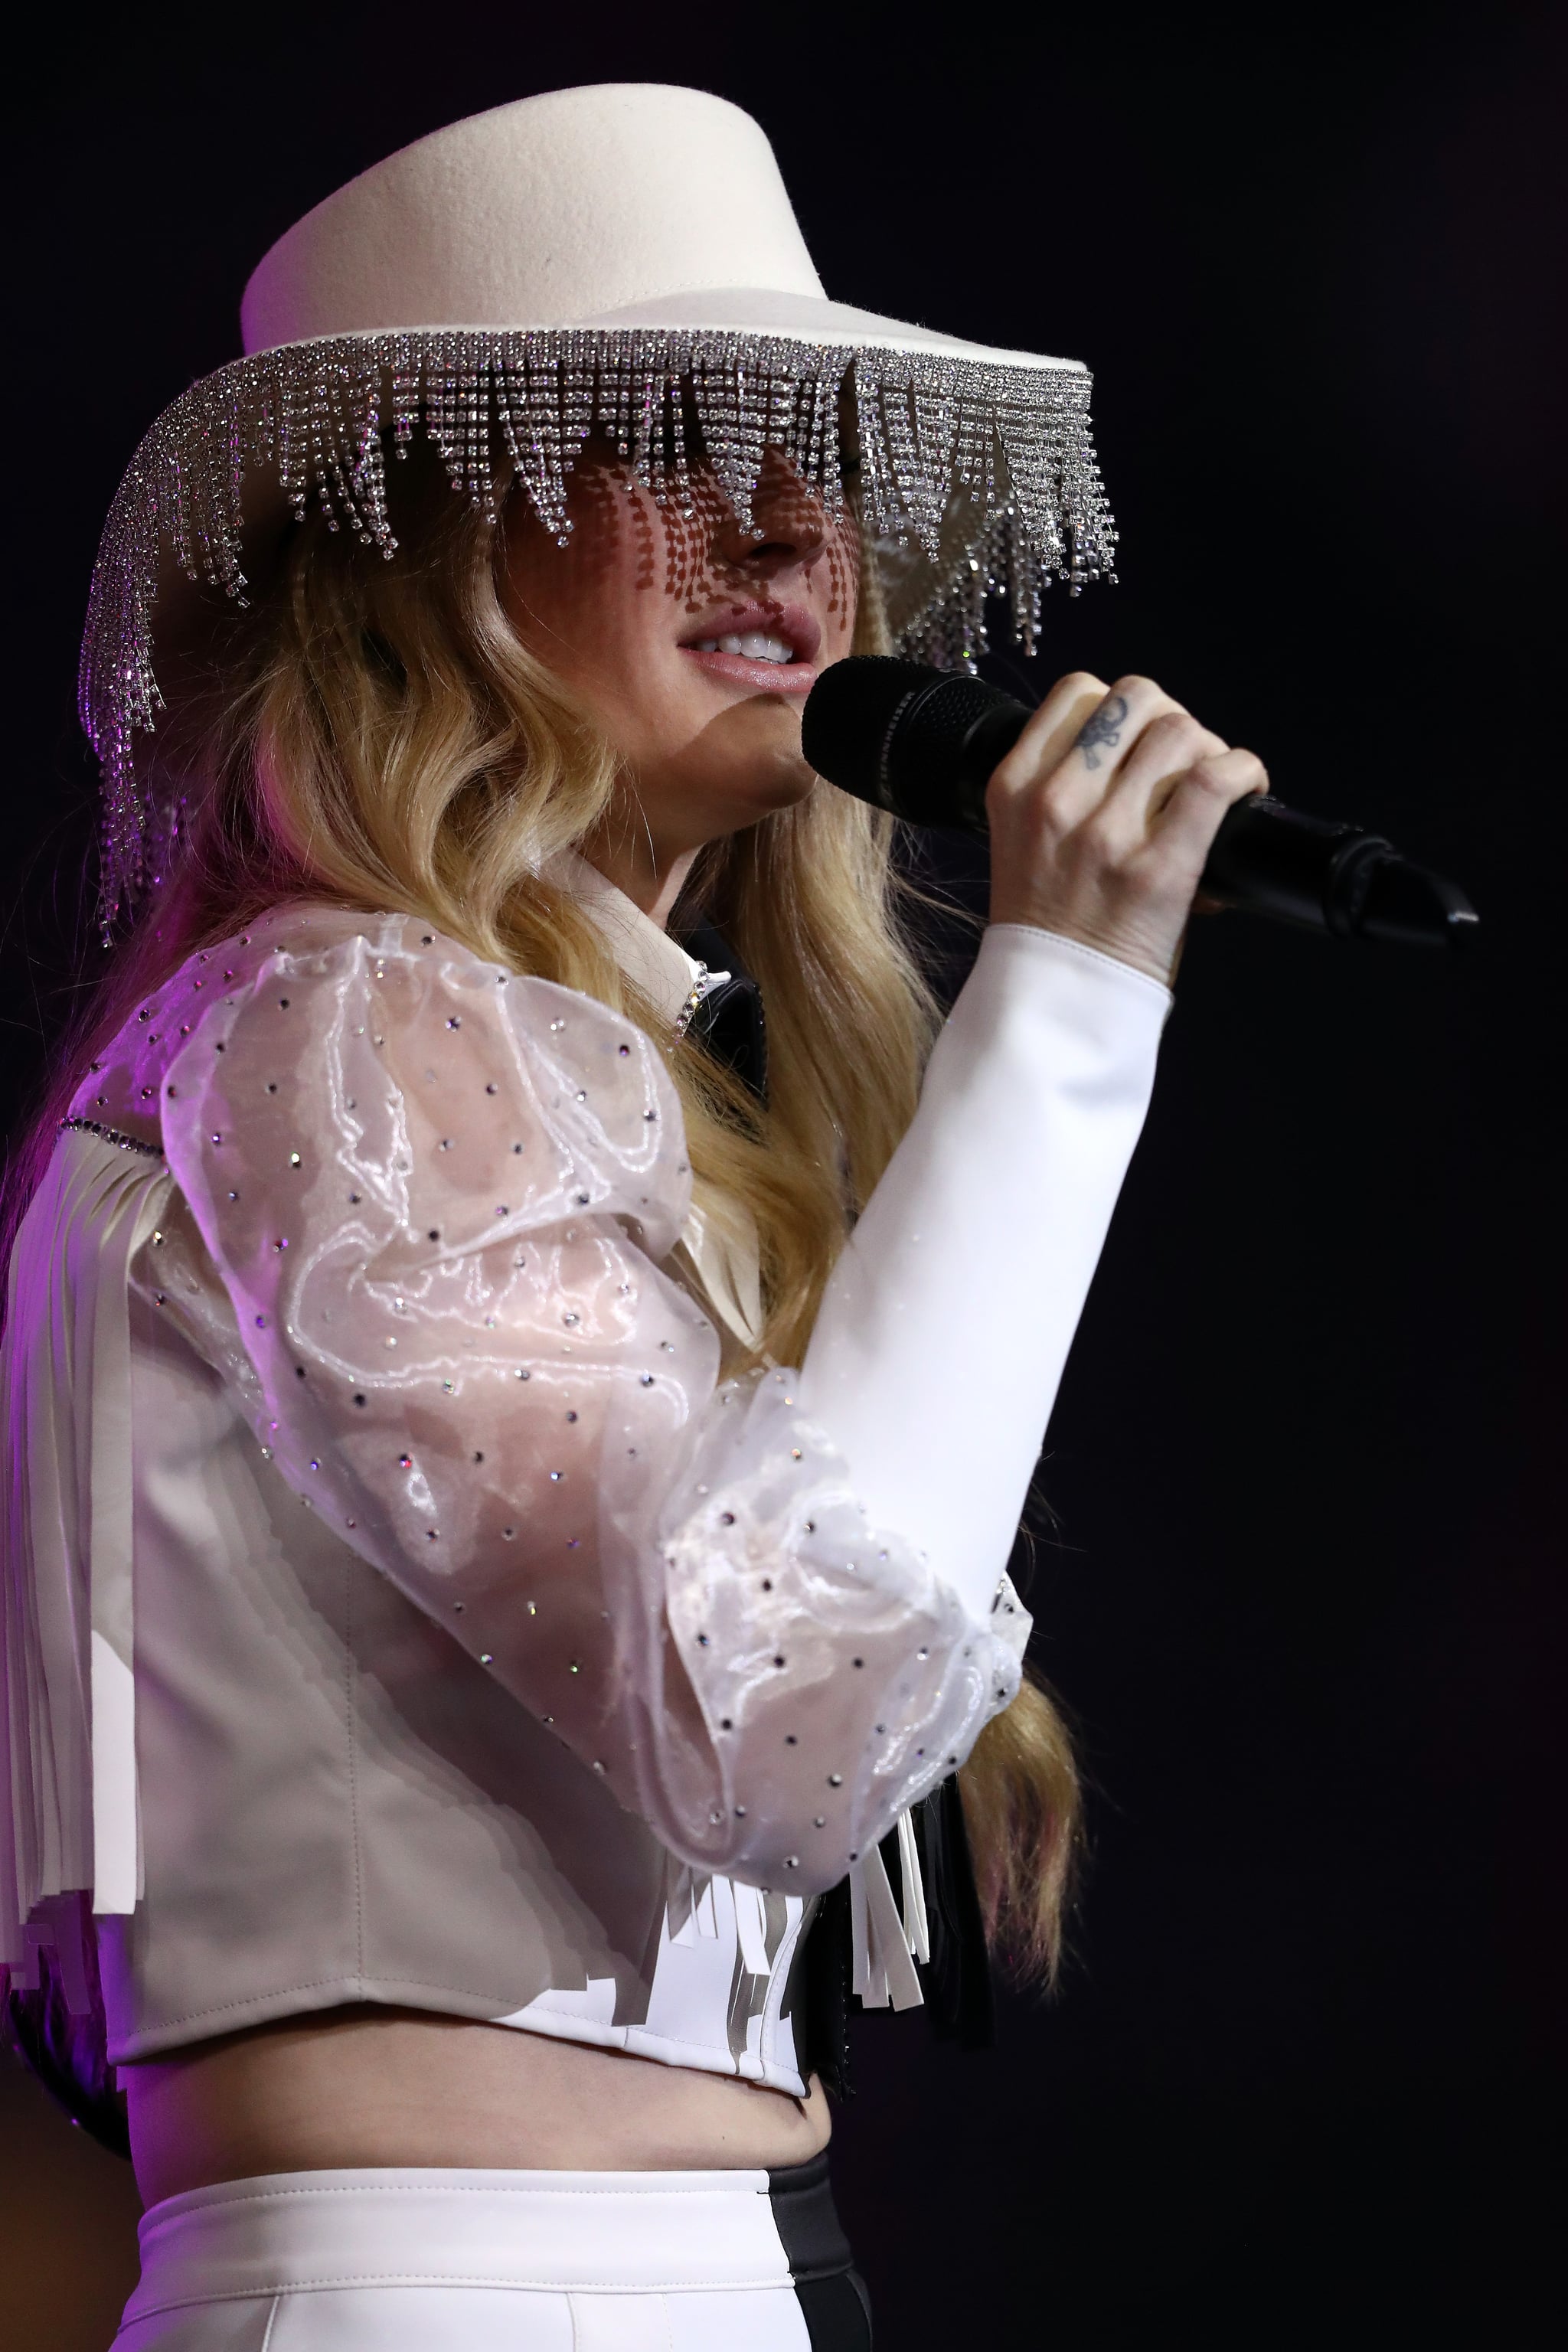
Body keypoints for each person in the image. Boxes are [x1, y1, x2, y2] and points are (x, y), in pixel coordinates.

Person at [0, 83, 1265, 2350]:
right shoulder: (354, 1028)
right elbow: (794, 1701)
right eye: (666, 435)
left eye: (824, 461)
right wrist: (1069, 1013)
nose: (791, 528)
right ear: (422, 539)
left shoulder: (490, 1046)